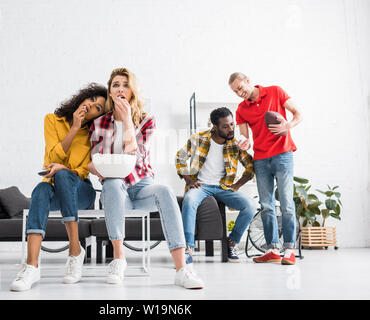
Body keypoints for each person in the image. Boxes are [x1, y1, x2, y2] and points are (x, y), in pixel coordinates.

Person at [88, 67, 204, 289]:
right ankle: (118, 259)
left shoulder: (146, 120)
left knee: (165, 190)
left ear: (132, 91)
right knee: (112, 182)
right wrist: (99, 167)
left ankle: (182, 269)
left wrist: (128, 122)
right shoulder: (99, 123)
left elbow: (135, 157)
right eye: (116, 85)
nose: (120, 89)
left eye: (125, 85)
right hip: (116, 190)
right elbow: (97, 160)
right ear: (110, 92)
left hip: (142, 187)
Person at [10, 83, 108, 291]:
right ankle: (32, 266)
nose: (91, 106)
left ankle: (74, 249)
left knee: (63, 175)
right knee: (40, 190)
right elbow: (52, 158)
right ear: (83, 98)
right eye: (91, 100)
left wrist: (65, 168)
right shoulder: (52, 120)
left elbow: (83, 170)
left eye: (98, 108)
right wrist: (73, 128)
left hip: (81, 190)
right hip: (55, 186)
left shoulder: (93, 134)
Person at [228, 72, 303, 265]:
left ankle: (289, 250)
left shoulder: (275, 92)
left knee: (286, 203)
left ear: (248, 81)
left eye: (241, 87)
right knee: (267, 205)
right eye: (235, 91)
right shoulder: (241, 109)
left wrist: (288, 125)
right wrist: (243, 143)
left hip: (283, 154)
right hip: (261, 159)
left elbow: (298, 113)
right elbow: (245, 138)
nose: (239, 92)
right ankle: (273, 249)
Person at [176, 107, 256, 263]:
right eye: (225, 126)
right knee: (189, 201)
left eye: (232, 124)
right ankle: (188, 249)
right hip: (201, 186)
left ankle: (231, 242)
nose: (231, 129)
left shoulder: (235, 144)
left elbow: (251, 166)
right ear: (215, 127)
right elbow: (180, 158)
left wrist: (238, 184)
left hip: (223, 187)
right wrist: (189, 180)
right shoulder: (198, 138)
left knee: (250, 206)